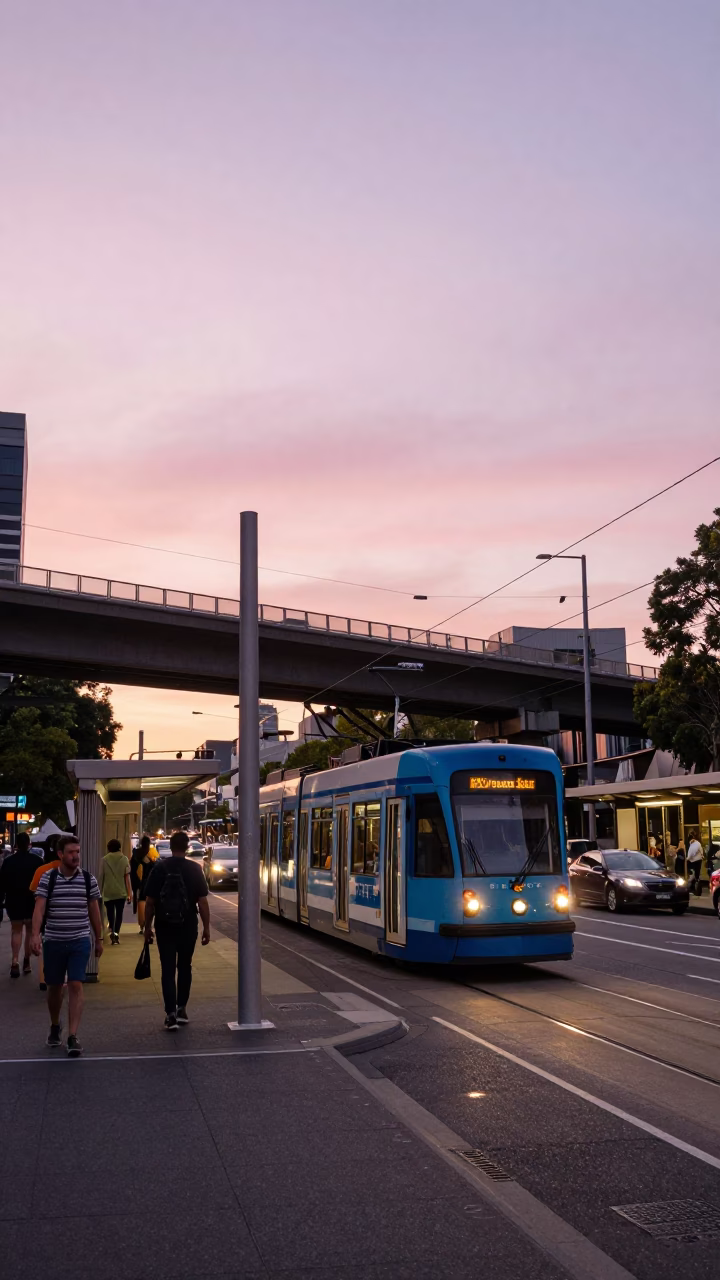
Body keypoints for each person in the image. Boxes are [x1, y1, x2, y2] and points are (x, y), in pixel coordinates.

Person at [30, 834, 103, 1057]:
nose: (76, 856)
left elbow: (94, 910)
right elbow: (40, 909)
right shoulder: (48, 878)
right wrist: (34, 935)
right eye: (71, 852)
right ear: (60, 854)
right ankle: (55, 1025)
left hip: (79, 940)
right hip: (53, 940)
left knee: (75, 984)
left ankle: (72, 1036)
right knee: (53, 988)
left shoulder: (88, 879)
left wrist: (99, 938)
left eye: (78, 852)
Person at [143, 830, 210, 1031]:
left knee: (167, 969)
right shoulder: (194, 869)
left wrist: (147, 927)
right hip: (188, 925)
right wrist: (207, 927)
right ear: (187, 847)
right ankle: (182, 1008)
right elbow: (203, 902)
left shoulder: (159, 868)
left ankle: (170, 1014)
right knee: (185, 966)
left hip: (164, 926)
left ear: (171, 847)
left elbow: (150, 902)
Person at [0, 833, 42, 978]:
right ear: (29, 843)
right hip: (31, 901)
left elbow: (2, 883)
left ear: (16, 844)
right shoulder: (37, 861)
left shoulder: (8, 861)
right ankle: (27, 962)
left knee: (16, 930)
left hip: (14, 900)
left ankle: (14, 961)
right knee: (30, 931)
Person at [99, 839, 131, 944]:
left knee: (110, 913)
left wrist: (99, 891)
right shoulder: (125, 859)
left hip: (108, 891)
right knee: (119, 914)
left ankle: (112, 931)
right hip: (121, 892)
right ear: (119, 847)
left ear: (109, 848)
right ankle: (116, 933)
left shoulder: (104, 860)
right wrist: (129, 894)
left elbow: (101, 877)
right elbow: (127, 878)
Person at [130, 835, 158, 933]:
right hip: (151, 882)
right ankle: (148, 925)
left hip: (139, 882)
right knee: (151, 903)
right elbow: (155, 867)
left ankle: (142, 925)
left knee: (141, 902)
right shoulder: (151, 853)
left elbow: (132, 869)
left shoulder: (136, 853)